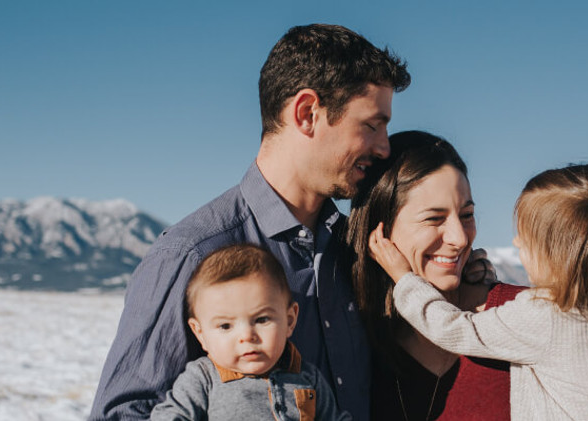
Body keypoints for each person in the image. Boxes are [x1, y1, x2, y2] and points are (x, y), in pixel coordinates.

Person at [90, 23, 410, 421]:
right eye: (372, 125)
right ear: (307, 113)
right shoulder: (191, 254)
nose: (384, 147)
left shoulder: (355, 248)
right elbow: (123, 413)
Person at [368, 163, 588, 420]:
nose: (515, 241)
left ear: (557, 252)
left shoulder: (545, 315)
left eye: (526, 238)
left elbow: (452, 329)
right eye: (434, 218)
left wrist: (404, 278)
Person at [345, 130, 526, 421]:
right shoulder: (355, 340)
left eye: (466, 215)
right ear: (381, 231)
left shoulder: (521, 315)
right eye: (434, 218)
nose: (459, 238)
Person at [150, 244, 349, 421]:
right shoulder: (203, 379)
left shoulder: (307, 376)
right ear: (200, 333)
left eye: (262, 320)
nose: (247, 337)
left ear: (289, 320)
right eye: (225, 326)